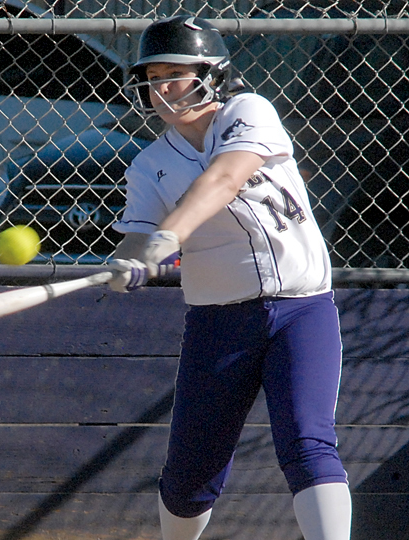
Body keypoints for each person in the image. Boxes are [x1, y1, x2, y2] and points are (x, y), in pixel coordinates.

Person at [109, 16, 352, 540]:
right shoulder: (149, 164)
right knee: (191, 475)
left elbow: (224, 177)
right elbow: (137, 238)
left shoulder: (249, 112)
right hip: (220, 324)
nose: (164, 87)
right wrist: (126, 263)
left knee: (309, 444)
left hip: (302, 309)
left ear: (212, 75)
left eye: (177, 73)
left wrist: (167, 238)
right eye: (153, 77)